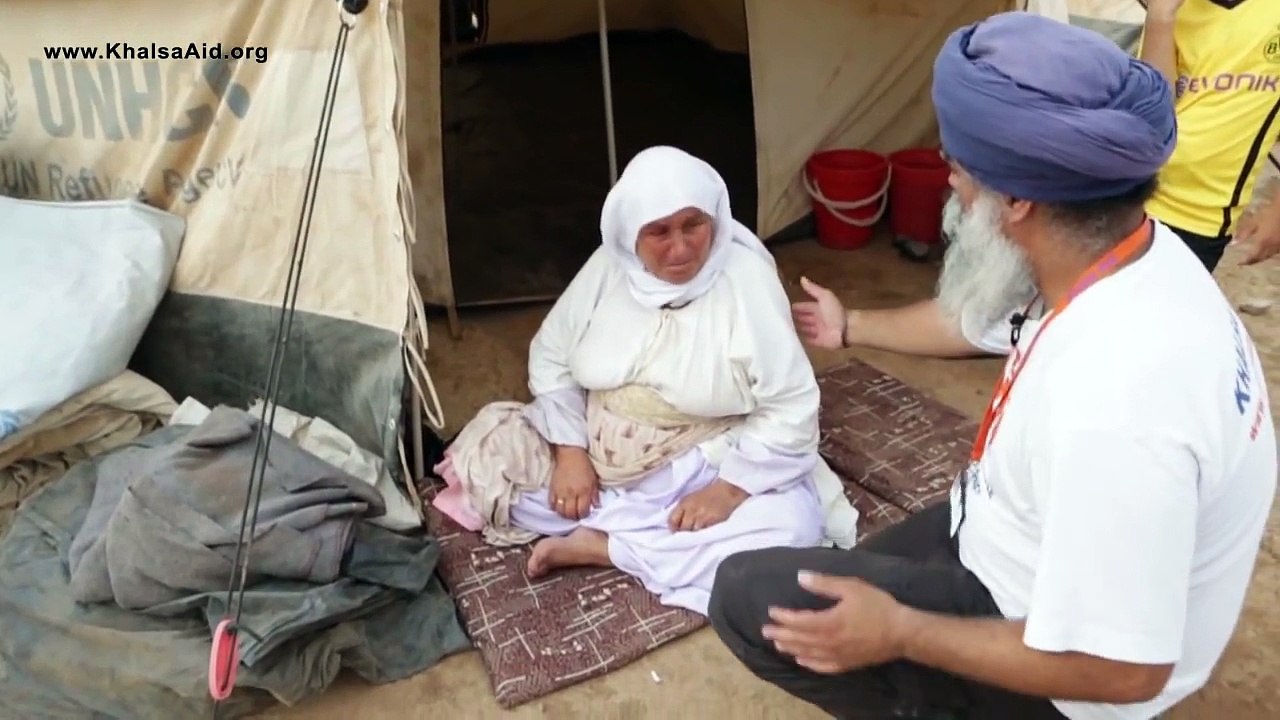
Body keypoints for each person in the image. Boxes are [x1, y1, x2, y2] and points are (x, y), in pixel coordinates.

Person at [708, 12, 1277, 720]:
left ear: (1017, 199)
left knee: (750, 597)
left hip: (1073, 682)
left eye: (955, 166)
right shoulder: (1126, 252)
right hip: (1005, 540)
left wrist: (904, 631)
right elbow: (974, 320)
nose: (950, 186)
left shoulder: (1118, 401)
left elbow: (1127, 669)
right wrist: (849, 324)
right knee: (840, 574)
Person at [432, 146, 859, 616]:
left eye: (693, 225)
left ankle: (605, 548)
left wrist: (728, 491)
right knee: (486, 465)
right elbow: (552, 355)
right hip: (595, 464)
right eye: (658, 231)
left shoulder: (747, 281)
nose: (679, 248)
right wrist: (570, 454)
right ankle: (648, 541)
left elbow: (791, 404)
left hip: (704, 465)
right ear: (629, 233)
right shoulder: (609, 267)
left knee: (793, 531)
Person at [1139, 0, 1280, 270]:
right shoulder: (1173, 8)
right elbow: (1154, 113)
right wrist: (1160, 19)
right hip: (1129, 195)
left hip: (1198, 215)